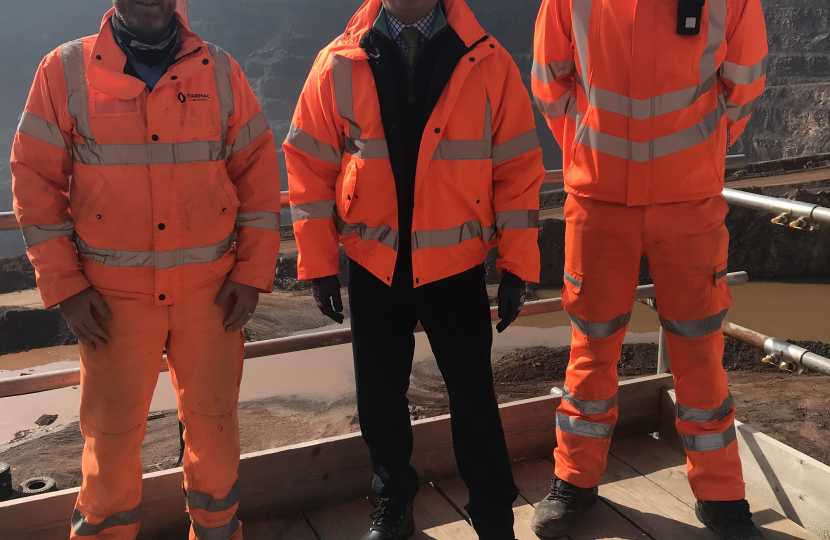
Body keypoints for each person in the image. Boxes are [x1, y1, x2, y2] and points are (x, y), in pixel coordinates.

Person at [10, 0, 282, 538]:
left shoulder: (220, 71)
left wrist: (252, 273)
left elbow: (256, 171)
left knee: (216, 436)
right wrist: (65, 286)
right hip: (112, 303)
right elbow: (34, 183)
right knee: (109, 449)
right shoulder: (64, 70)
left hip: (211, 298)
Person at [284, 0, 545, 538]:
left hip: (456, 266)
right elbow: (309, 165)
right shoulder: (337, 60)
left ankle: (494, 516)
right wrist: (319, 264)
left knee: (474, 398)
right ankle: (394, 503)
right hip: (373, 264)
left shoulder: (488, 61)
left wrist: (519, 265)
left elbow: (517, 168)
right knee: (379, 399)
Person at [530, 0, 768, 538]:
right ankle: (574, 482)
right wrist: (588, 152)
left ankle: (722, 497)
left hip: (689, 204)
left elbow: (746, 80)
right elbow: (548, 78)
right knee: (591, 348)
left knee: (700, 353)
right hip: (598, 200)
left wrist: (700, 154)